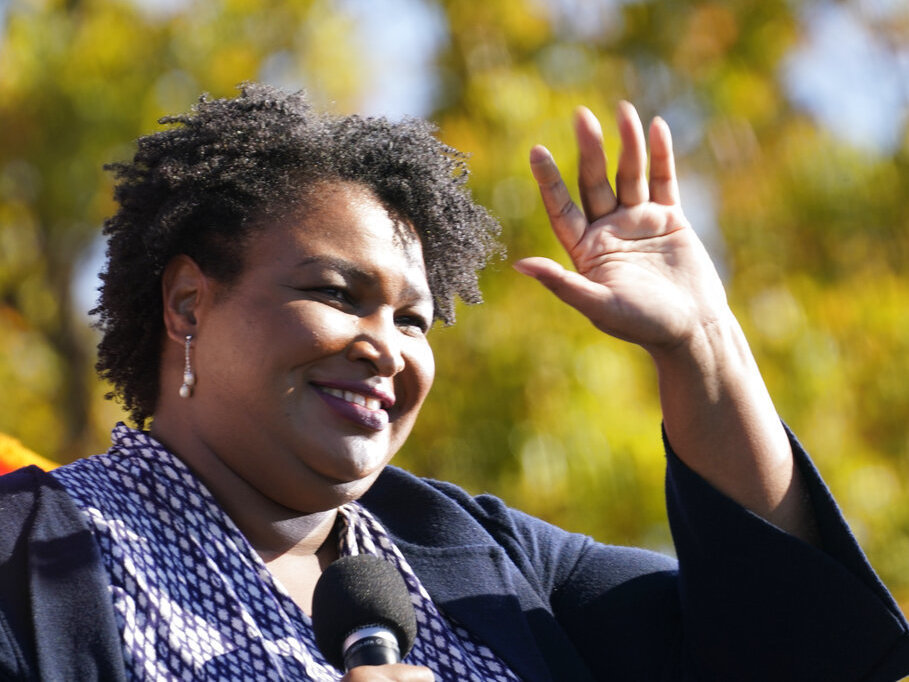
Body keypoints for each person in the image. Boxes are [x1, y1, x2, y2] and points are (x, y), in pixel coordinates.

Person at [0, 83, 907, 682]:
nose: (385, 347)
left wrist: (702, 346)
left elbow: (798, 650)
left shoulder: (484, 560)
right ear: (189, 304)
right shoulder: (21, 560)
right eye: (337, 294)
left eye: (412, 319)